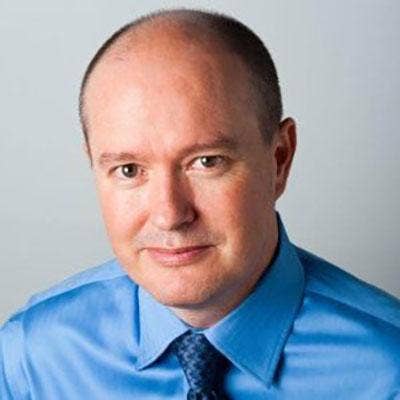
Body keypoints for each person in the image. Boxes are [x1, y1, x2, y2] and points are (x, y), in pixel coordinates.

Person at [1, 8, 399, 400]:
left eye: (207, 162)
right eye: (128, 170)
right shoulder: (31, 359)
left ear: (279, 159)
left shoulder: (388, 369)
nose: (170, 215)